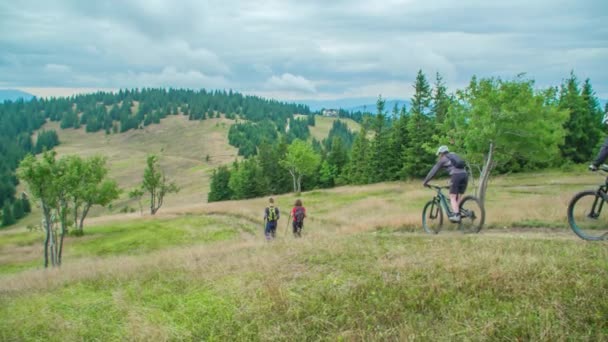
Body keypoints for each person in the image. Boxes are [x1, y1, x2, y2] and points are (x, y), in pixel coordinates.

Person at [423, 145, 468, 222]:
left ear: (441, 153)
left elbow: (433, 172)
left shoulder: (443, 159)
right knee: (458, 196)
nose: (439, 156)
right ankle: (459, 212)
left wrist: (425, 181)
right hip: (465, 175)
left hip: (456, 176)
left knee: (452, 197)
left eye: (439, 154)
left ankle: (457, 215)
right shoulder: (454, 155)